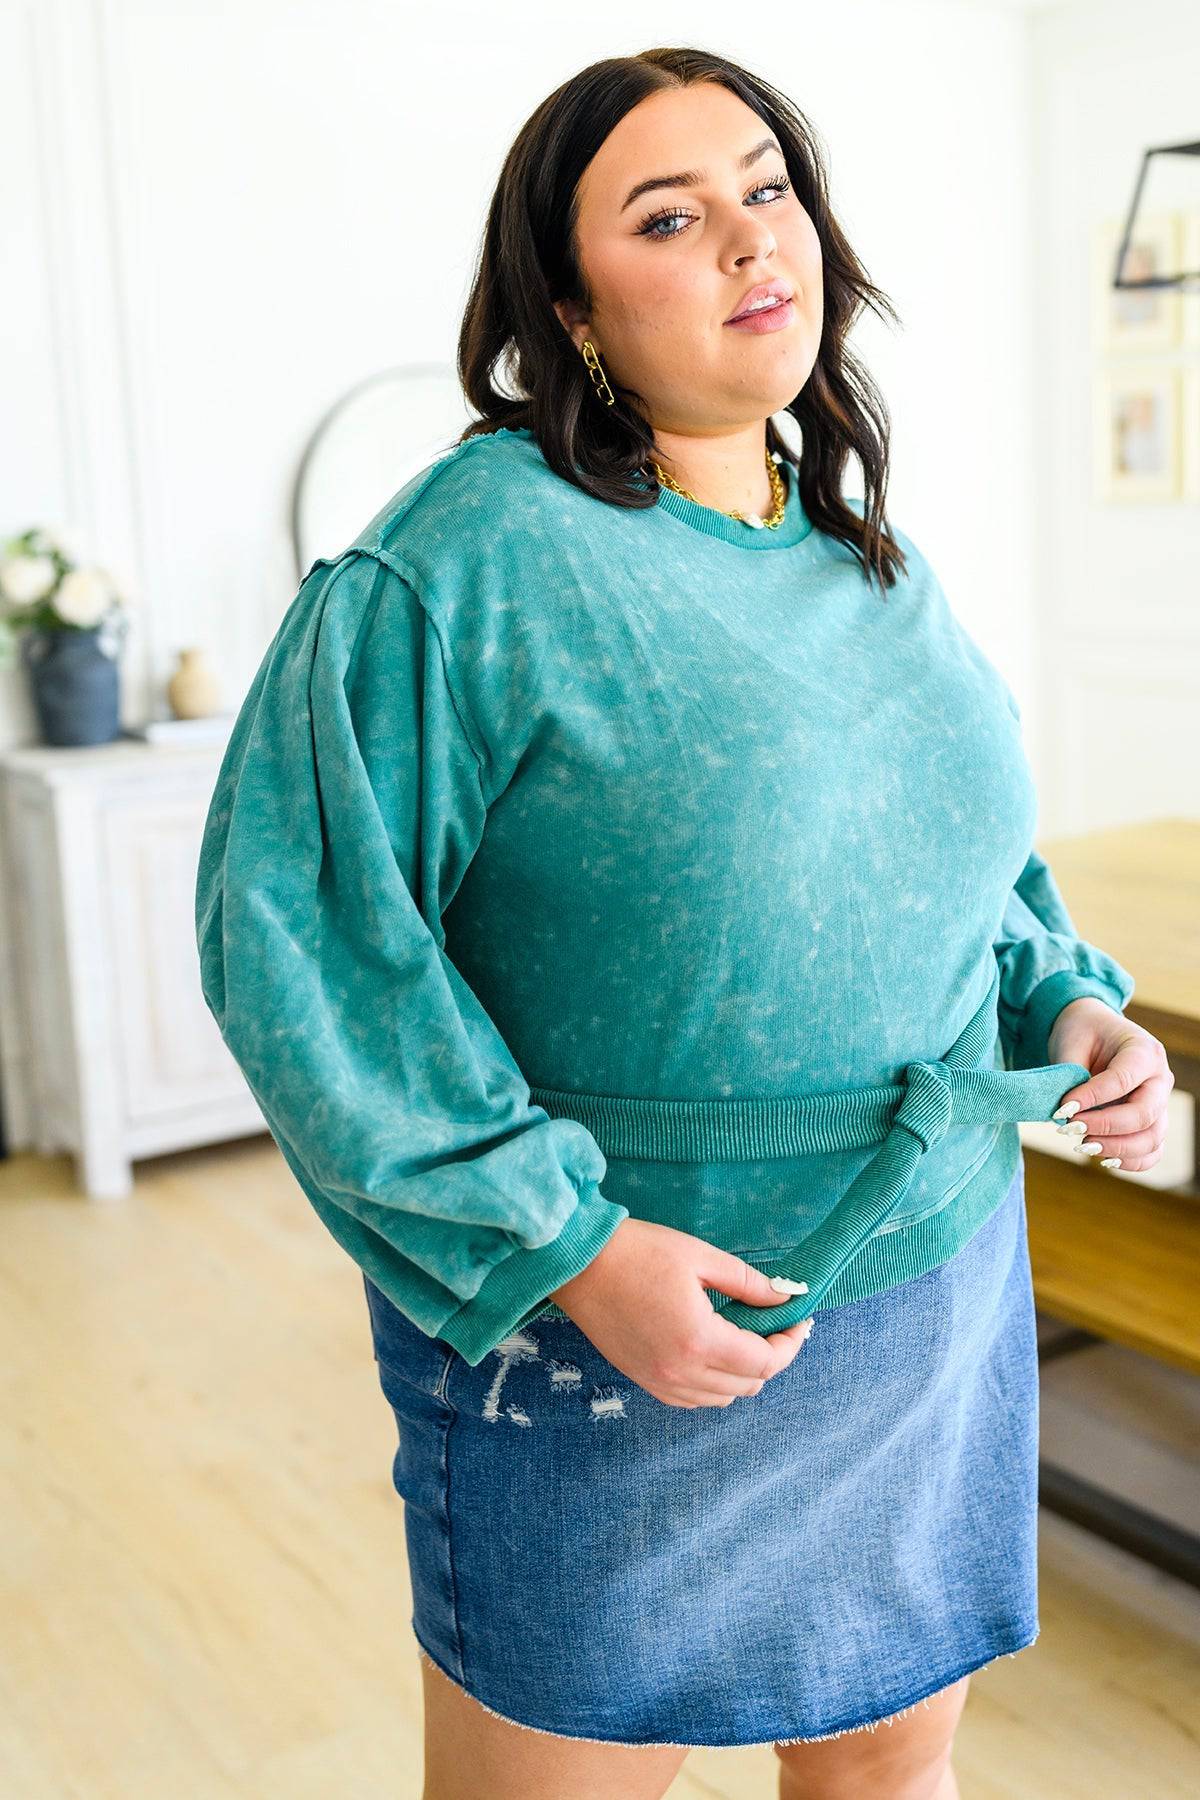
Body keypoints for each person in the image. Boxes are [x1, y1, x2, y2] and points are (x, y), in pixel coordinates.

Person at [194, 45, 1174, 1800]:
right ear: (569, 309)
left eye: (767, 188)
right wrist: (570, 1248)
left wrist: (1067, 1010)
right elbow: (308, 942)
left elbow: (963, 880)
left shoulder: (862, 552)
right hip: (626, 1338)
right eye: (668, 216)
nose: (747, 237)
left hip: (925, 1296)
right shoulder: (463, 562)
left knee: (888, 1778)